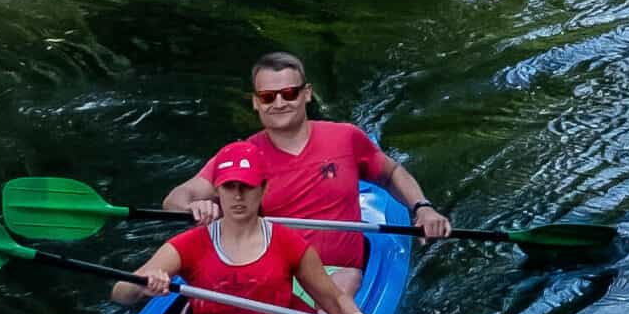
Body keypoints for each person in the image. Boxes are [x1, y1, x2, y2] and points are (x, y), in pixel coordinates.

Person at [162, 52, 450, 295]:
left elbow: (391, 174)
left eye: (288, 93)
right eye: (267, 96)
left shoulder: (345, 138)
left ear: (306, 93)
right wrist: (193, 207)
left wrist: (422, 208)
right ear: (255, 101)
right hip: (272, 278)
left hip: (340, 278)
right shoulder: (241, 155)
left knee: (342, 283)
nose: (278, 103)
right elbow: (176, 199)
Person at [114, 141, 379, 314]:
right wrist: (144, 284)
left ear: (263, 189)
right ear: (217, 190)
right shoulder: (189, 245)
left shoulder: (288, 243)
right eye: (229, 186)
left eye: (247, 187)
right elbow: (120, 293)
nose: (238, 196)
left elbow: (333, 299)